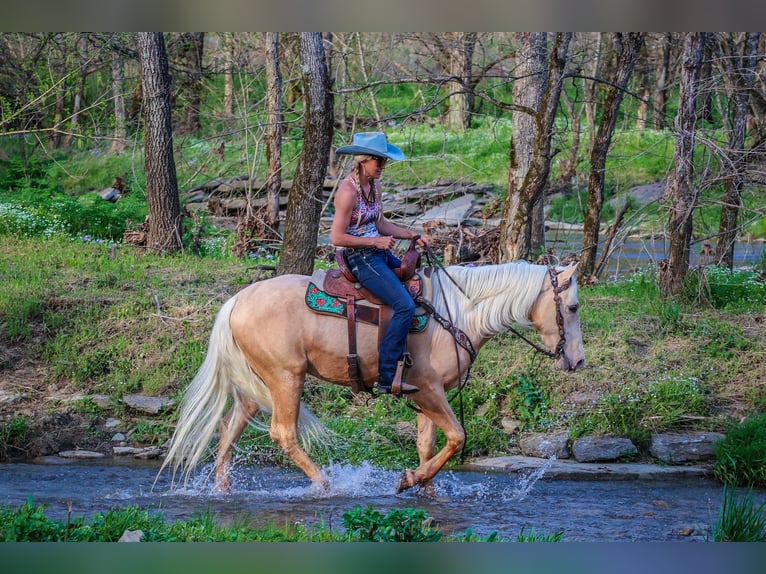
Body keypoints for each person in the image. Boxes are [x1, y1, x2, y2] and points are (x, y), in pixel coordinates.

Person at [331, 132, 429, 397]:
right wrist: (375, 243)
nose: (382, 166)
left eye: (384, 161)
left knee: (418, 288)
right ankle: (386, 376)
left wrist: (410, 234)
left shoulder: (375, 187)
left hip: (378, 251)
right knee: (404, 305)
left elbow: (380, 224)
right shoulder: (347, 192)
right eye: (378, 161)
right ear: (363, 160)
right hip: (359, 257)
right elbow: (337, 237)